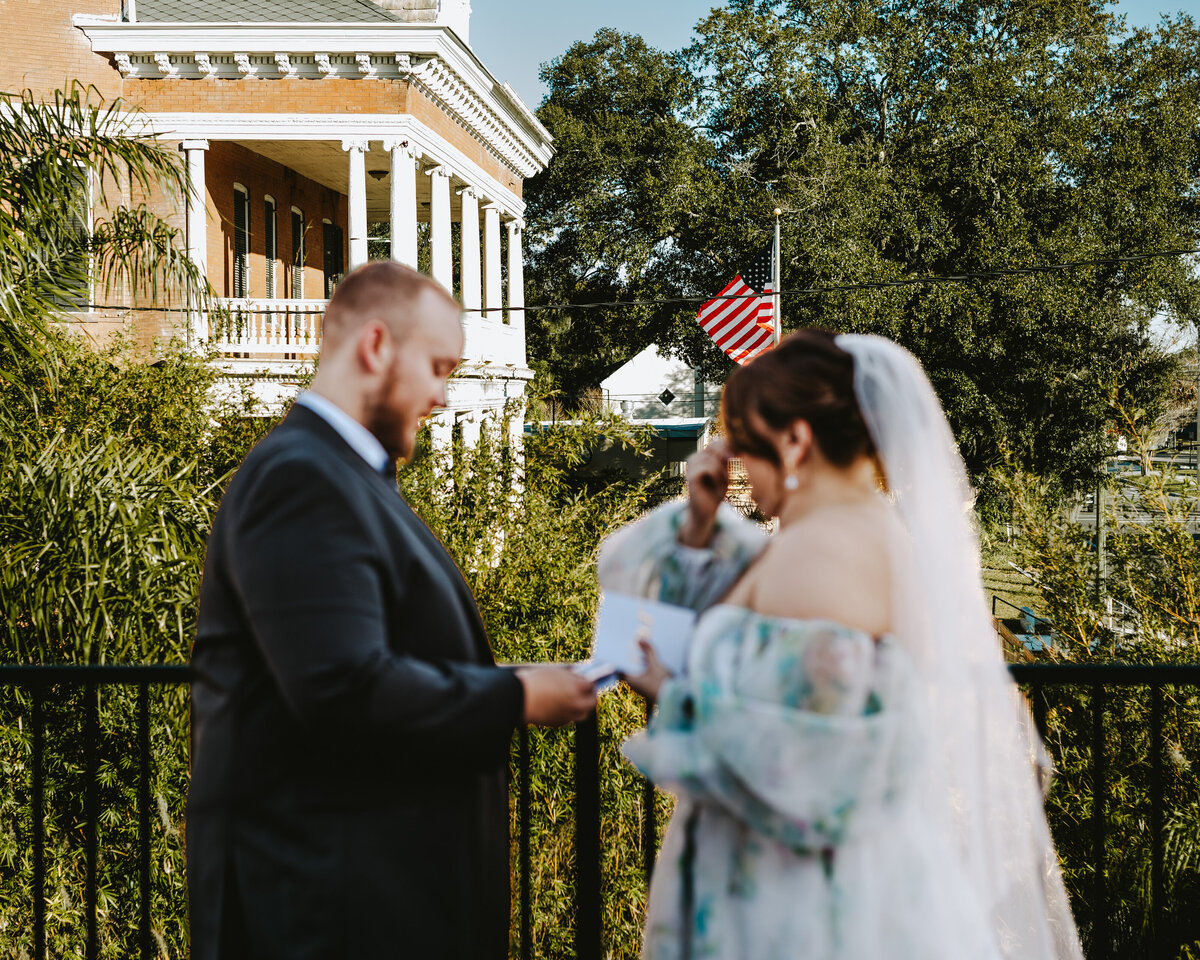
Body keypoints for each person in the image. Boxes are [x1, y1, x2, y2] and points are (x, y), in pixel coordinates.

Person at [606, 329, 1082, 959]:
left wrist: (667, 688)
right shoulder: (847, 532)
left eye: (745, 444)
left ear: (796, 440)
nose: (736, 464)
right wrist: (697, 523)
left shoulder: (825, 551)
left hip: (796, 903)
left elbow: (809, 758)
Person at [187, 261, 596, 960]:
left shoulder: (341, 476)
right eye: (437, 367)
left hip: (358, 901)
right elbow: (342, 687)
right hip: (327, 914)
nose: (442, 396)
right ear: (375, 346)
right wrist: (519, 693)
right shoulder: (301, 479)